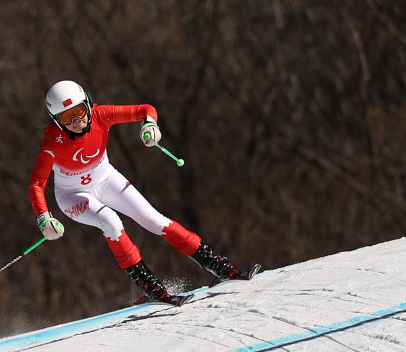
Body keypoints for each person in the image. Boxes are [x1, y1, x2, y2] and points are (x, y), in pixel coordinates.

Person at [29, 80, 257, 304]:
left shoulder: (101, 115)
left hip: (106, 178)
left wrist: (150, 125)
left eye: (80, 111)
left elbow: (144, 110)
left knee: (154, 220)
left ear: (88, 104)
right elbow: (37, 185)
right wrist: (44, 218)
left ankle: (216, 265)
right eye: (68, 117)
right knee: (110, 221)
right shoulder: (53, 142)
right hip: (72, 196)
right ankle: (151, 287)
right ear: (57, 122)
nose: (78, 120)